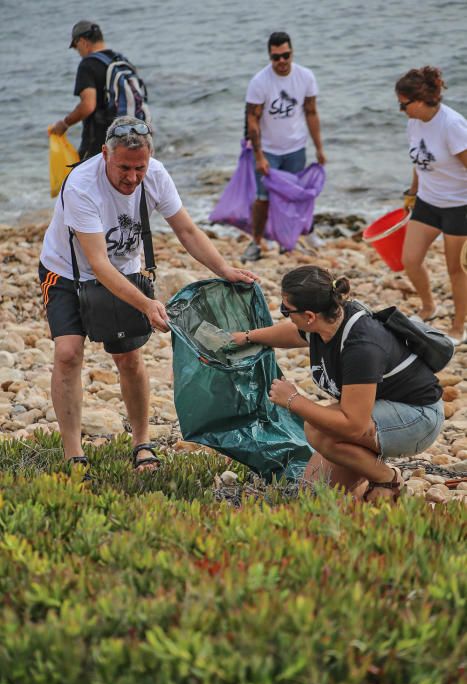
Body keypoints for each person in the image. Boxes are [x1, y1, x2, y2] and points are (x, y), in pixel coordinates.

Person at [39, 116, 259, 474]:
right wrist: (146, 304)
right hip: (66, 271)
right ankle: (73, 454)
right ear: (104, 154)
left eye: (139, 168)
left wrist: (224, 269)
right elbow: (98, 264)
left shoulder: (155, 175)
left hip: (125, 269)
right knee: (67, 353)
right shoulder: (81, 185)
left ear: (150, 158)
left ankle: (142, 443)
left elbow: (186, 230)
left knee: (128, 357)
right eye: (124, 167)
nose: (132, 177)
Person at [231, 265, 444, 501]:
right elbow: (295, 333)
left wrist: (293, 400)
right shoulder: (327, 321)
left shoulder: (360, 346)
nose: (285, 313)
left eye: (286, 310)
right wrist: (249, 337)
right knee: (313, 494)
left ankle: (387, 477)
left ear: (310, 316)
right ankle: (371, 489)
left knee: (317, 429)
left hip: (417, 418)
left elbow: (354, 425)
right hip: (378, 409)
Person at [396, 66, 467, 345]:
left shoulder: (452, 125)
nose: (401, 110)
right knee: (410, 260)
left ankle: (459, 326)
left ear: (421, 100)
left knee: (455, 270)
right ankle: (429, 307)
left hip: (458, 206)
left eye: (403, 104)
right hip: (427, 201)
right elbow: (419, 162)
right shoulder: (413, 122)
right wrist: (412, 194)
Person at [241, 31, 326, 262]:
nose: (281, 61)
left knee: (295, 196)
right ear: (270, 56)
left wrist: (319, 148)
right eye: (275, 57)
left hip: (296, 148)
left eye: (285, 55)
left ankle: (292, 238)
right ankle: (257, 241)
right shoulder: (260, 82)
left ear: (291, 53)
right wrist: (259, 156)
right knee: (263, 198)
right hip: (268, 149)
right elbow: (252, 120)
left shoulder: (305, 76)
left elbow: (311, 112)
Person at [49, 21, 148, 161]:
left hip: (99, 141)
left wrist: (65, 124)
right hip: (128, 137)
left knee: (86, 178)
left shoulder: (87, 65)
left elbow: (88, 105)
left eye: (76, 47)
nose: (79, 53)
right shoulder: (121, 60)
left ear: (82, 42)